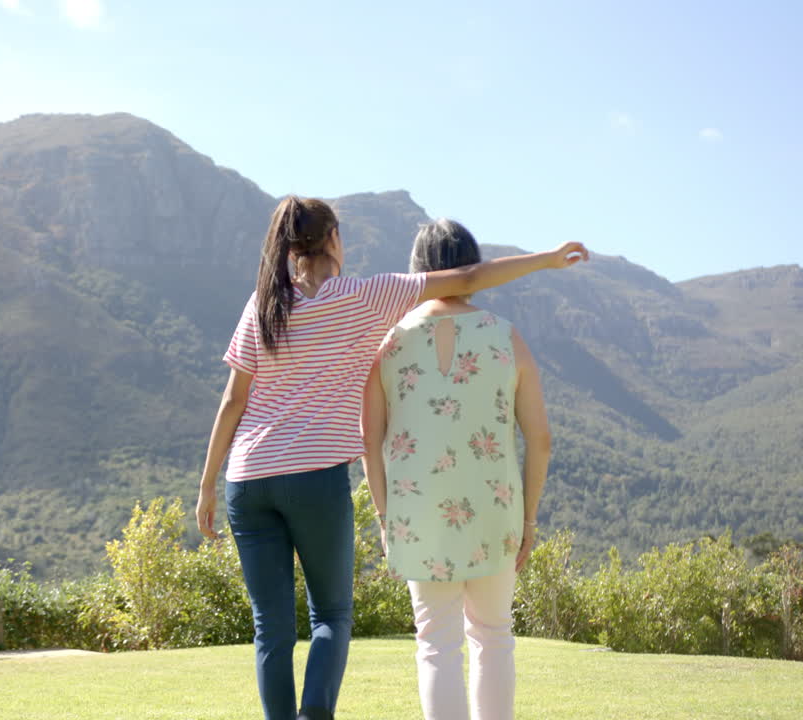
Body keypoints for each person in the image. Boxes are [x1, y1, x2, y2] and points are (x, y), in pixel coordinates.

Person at [195, 197, 583, 720]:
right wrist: (547, 259)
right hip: (341, 483)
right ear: (333, 239)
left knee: (281, 628)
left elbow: (239, 402)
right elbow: (469, 277)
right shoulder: (370, 299)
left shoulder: (272, 307)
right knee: (346, 616)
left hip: (259, 480)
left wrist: (206, 485)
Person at [361, 218, 552, 720]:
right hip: (496, 511)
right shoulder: (506, 338)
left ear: (417, 271)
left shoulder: (389, 344)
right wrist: (529, 519)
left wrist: (385, 518)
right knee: (493, 637)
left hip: (417, 515)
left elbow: (368, 440)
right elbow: (541, 440)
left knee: (435, 644)